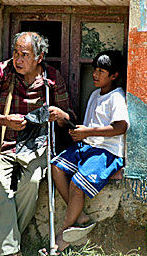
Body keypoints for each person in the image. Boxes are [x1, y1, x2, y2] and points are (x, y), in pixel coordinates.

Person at [0, 32, 75, 256]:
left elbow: (69, 118)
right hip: (4, 142)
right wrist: (4, 120)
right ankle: (10, 252)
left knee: (31, 184)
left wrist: (59, 114)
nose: (18, 59)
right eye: (16, 53)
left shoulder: (52, 78)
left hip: (36, 146)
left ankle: (4, 242)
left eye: (25, 55)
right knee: (0, 185)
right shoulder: (1, 71)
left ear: (39, 58)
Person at [51, 50, 129, 254]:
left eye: (101, 71)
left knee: (77, 183)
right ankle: (80, 215)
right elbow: (89, 126)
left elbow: (120, 127)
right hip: (88, 147)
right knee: (56, 166)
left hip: (107, 151)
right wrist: (79, 131)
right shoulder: (96, 94)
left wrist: (87, 132)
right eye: (95, 70)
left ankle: (63, 236)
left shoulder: (117, 97)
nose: (95, 74)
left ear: (114, 75)